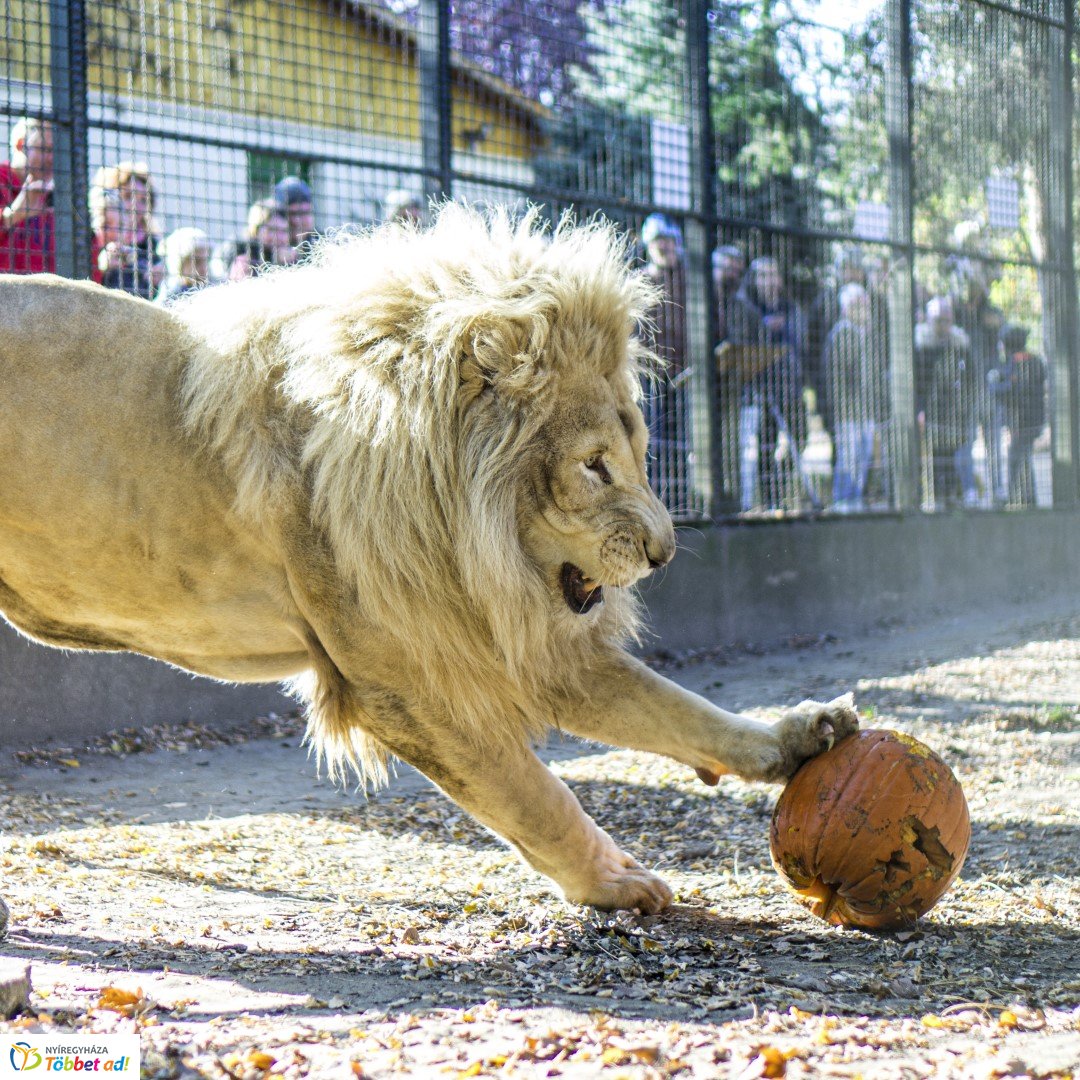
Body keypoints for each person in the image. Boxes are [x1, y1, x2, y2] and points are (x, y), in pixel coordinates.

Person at [727, 255, 808, 512]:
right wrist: (764, 327)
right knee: (765, 444)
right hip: (762, 388)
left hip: (791, 386)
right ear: (754, 280)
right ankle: (771, 499)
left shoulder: (790, 307)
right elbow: (742, 345)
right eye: (762, 275)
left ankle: (780, 484)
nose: (768, 280)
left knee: (800, 438)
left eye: (773, 274)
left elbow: (801, 343)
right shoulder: (747, 306)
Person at [640, 212, 690, 511]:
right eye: (658, 242)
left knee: (682, 441)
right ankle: (656, 503)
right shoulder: (642, 282)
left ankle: (682, 502)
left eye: (668, 242)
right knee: (654, 442)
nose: (664, 247)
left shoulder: (688, 281)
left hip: (686, 376)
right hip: (654, 377)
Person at [824, 283, 887, 512]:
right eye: (859, 304)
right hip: (848, 413)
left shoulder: (869, 334)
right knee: (848, 458)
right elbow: (837, 379)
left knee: (863, 458)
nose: (864, 308)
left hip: (868, 411)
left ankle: (855, 500)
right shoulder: (841, 334)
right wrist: (844, 408)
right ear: (847, 308)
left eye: (865, 303)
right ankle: (843, 501)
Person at [951, 257, 1006, 505]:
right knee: (966, 441)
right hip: (967, 389)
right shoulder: (957, 313)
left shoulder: (990, 311)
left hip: (990, 387)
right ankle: (970, 489)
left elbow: (998, 324)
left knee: (994, 442)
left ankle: (998, 487)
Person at [915, 296, 978, 509]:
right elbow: (919, 383)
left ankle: (953, 494)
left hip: (955, 412)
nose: (943, 325)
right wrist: (920, 409)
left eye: (946, 320)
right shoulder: (923, 346)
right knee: (934, 455)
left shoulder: (960, 344)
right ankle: (936, 496)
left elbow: (971, 377)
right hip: (933, 410)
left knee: (953, 453)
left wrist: (967, 405)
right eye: (939, 320)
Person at [90, 162, 165, 298]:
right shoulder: (92, 236)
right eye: (128, 196)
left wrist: (155, 282)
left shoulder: (151, 243)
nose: (136, 206)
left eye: (143, 200)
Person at [995, 324, 1046, 507]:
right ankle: (1026, 498)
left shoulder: (1015, 364)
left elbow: (1009, 392)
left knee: (1017, 457)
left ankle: (1021, 498)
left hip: (1021, 421)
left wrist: (996, 386)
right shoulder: (1036, 361)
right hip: (1034, 419)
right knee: (1022, 456)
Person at [0, 117, 54, 274]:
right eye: (45, 149)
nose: (52, 159)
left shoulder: (53, 201)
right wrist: (11, 217)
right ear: (20, 145)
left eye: (57, 152)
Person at [223, 199, 293, 281]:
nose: (279, 237)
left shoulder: (291, 256)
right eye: (272, 230)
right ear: (256, 230)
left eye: (284, 231)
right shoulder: (243, 255)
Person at [155, 227, 211, 305]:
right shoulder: (172, 293)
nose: (204, 269)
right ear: (179, 265)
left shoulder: (208, 290)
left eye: (206, 261)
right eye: (197, 262)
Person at [274, 175, 317, 249]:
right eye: (291, 214)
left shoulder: (322, 250)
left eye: (304, 213)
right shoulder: (258, 251)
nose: (297, 221)